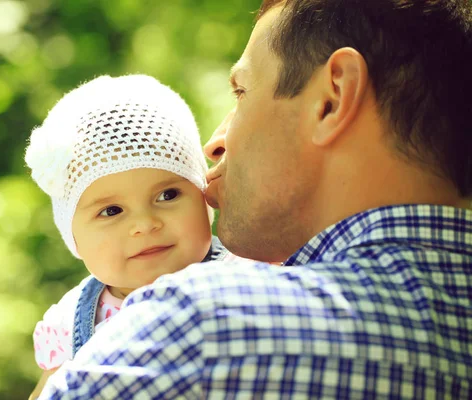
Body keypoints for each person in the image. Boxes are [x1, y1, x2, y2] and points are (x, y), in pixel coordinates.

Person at [38, 0, 472, 398]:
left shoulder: (197, 330)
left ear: (333, 98)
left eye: (241, 93)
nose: (214, 144)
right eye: (111, 210)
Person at [24, 74, 232, 399]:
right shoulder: (70, 321)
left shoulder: (244, 276)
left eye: (168, 195)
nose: (145, 224)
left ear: (204, 199)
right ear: (73, 236)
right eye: (112, 211)